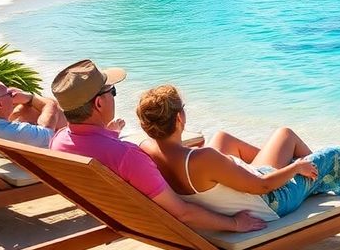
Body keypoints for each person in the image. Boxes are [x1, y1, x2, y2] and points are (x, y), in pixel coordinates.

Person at [136, 85, 340, 219]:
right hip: (270, 201)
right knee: (333, 154)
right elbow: (261, 186)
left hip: (236, 190)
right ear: (179, 119)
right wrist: (295, 168)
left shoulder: (147, 151)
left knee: (279, 134)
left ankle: (313, 180)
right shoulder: (201, 158)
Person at [49, 59, 265, 233]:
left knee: (219, 145)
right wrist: (235, 224)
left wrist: (110, 135)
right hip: (178, 225)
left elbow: (98, 149)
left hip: (118, 218)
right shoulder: (128, 156)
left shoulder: (58, 142)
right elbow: (182, 213)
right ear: (99, 103)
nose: (114, 97)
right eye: (112, 92)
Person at [0, 80, 70, 157]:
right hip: (31, 169)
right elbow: (48, 132)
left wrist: (17, 103)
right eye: (9, 94)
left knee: (25, 109)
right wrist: (31, 98)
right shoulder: (16, 133)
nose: (13, 95)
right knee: (46, 106)